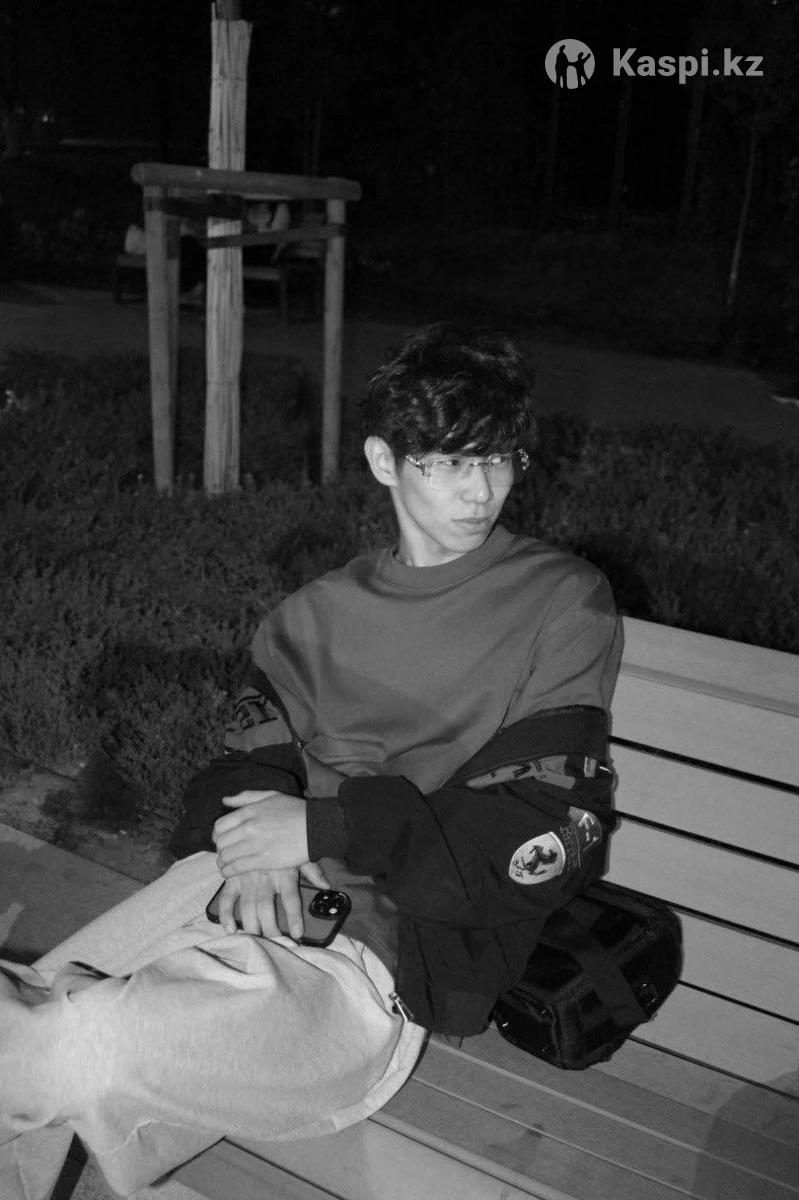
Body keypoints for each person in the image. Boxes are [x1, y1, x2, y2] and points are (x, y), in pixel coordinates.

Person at [0, 324, 622, 1198]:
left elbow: (539, 828)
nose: (480, 489)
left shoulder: (559, 601)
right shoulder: (313, 615)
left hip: (372, 968)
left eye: (497, 459)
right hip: (229, 896)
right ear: (383, 461)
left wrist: (320, 829)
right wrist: (254, 841)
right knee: (28, 1039)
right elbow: (239, 762)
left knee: (70, 1044)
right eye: (447, 462)